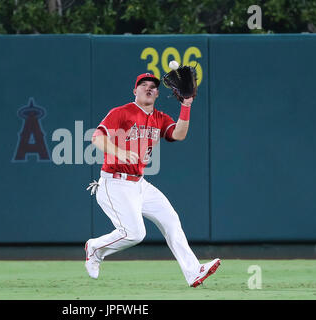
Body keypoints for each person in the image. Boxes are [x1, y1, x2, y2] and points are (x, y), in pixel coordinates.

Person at [84, 72, 220, 287]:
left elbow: (179, 134)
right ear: (134, 91)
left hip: (139, 183)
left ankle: (194, 272)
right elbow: (96, 138)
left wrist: (186, 105)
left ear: (157, 93)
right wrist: (119, 152)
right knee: (135, 234)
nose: (149, 88)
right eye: (143, 84)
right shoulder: (121, 112)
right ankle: (95, 248)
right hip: (114, 182)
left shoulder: (160, 118)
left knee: (171, 220)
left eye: (153, 86)